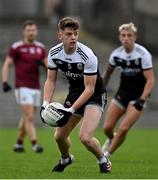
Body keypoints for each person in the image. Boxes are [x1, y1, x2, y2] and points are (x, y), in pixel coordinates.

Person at [41, 17, 111, 173]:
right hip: (74, 93)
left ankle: (102, 159)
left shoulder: (87, 55)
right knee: (59, 137)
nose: (73, 37)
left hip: (94, 94)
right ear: (60, 35)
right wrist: (45, 104)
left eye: (76, 34)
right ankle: (66, 159)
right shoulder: (54, 53)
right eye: (69, 34)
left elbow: (89, 89)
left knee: (85, 137)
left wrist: (70, 110)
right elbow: (50, 81)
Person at [102, 22, 155, 159]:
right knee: (107, 128)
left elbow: (150, 80)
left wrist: (142, 100)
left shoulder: (143, 55)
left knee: (124, 128)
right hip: (122, 95)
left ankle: (106, 156)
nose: (126, 38)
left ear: (134, 37)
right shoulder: (116, 55)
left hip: (137, 97)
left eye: (129, 35)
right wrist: (99, 89)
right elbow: (107, 74)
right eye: (123, 35)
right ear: (120, 38)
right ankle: (113, 138)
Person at [2, 20, 47, 153]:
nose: (31, 32)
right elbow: (7, 64)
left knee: (27, 117)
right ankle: (35, 144)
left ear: (36, 31)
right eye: (28, 30)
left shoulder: (40, 48)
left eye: (33, 30)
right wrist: (4, 81)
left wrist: (43, 65)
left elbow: (49, 67)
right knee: (30, 117)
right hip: (22, 86)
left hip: (36, 87)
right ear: (24, 32)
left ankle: (18, 143)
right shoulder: (17, 47)